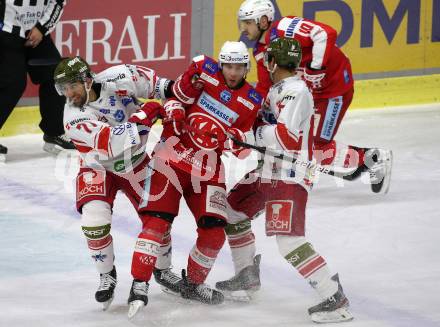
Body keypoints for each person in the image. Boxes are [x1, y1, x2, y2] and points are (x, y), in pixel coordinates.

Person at [217, 37, 354, 323]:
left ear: (273, 62)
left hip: (289, 175)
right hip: (267, 171)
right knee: (232, 213)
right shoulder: (277, 89)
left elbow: (286, 138)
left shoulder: (295, 91)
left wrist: (247, 136)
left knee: (289, 241)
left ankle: (334, 297)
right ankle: (247, 276)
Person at [133, 41, 261, 311]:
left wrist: (233, 141)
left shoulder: (252, 100)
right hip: (172, 157)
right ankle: (139, 285)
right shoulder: (203, 70)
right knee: (156, 224)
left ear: (247, 68)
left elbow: (239, 144)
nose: (233, 72)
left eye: (239, 67)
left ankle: (192, 284)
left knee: (214, 232)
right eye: (228, 66)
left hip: (208, 168)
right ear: (221, 63)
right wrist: (176, 109)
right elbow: (174, 97)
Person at [53, 56, 181, 317]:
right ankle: (106, 275)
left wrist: (179, 99)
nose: (68, 94)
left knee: (159, 220)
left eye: (72, 86)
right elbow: (111, 142)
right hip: (98, 166)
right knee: (93, 223)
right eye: (63, 88)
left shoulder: (121, 77)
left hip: (136, 161)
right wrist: (146, 116)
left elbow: (161, 86)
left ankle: (163, 270)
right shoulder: (72, 117)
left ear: (87, 80)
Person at [237, 0, 392, 194]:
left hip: (333, 90)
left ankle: (373, 158)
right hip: (309, 94)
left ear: (263, 20)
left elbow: (325, 33)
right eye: (242, 23)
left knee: (317, 146)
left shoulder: (285, 27)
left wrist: (316, 67)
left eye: (248, 23)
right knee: (294, 135)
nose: (244, 29)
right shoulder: (260, 51)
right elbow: (265, 86)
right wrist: (247, 109)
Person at [0, 0, 75, 159]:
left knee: (58, 74)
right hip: (5, 31)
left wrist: (41, 28)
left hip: (37, 32)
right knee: (13, 83)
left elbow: (58, 2)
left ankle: (54, 133)